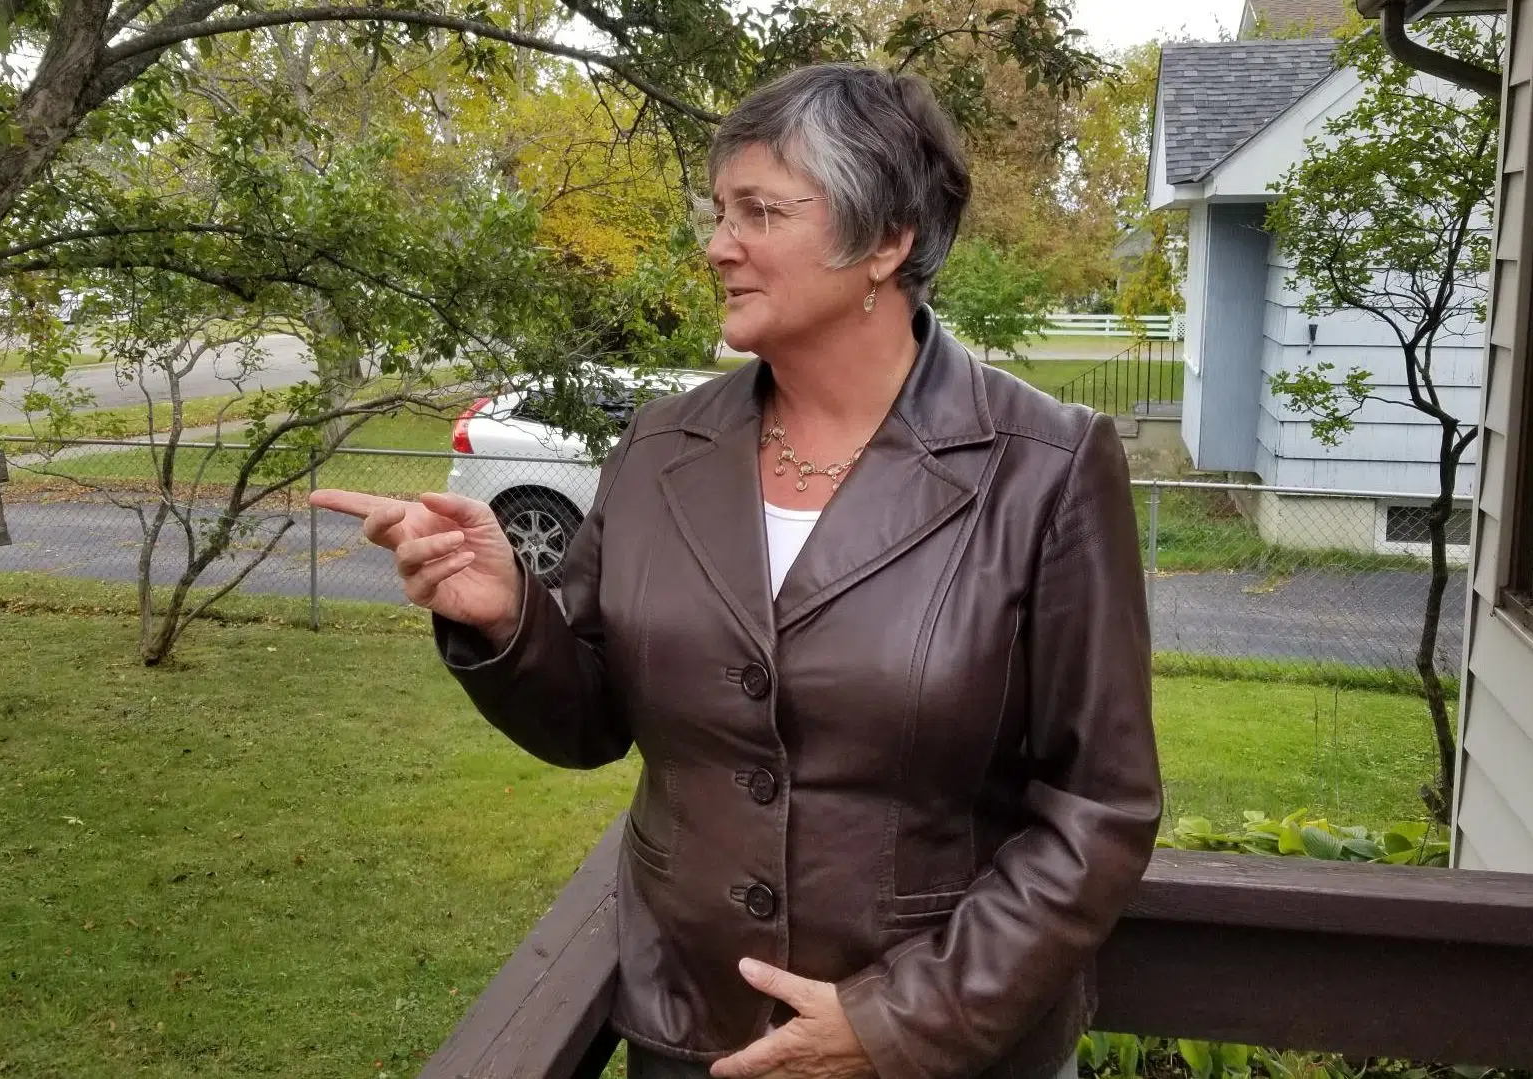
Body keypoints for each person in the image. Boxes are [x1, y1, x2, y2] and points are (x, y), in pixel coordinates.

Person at [312, 63, 1160, 1079]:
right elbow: (590, 719)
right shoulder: (661, 447)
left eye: (759, 211)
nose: (718, 244)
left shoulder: (1045, 467)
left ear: (886, 240)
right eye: (719, 212)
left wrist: (899, 1019)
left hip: (941, 1051)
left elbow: (1098, 810)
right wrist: (508, 618)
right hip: (694, 1031)